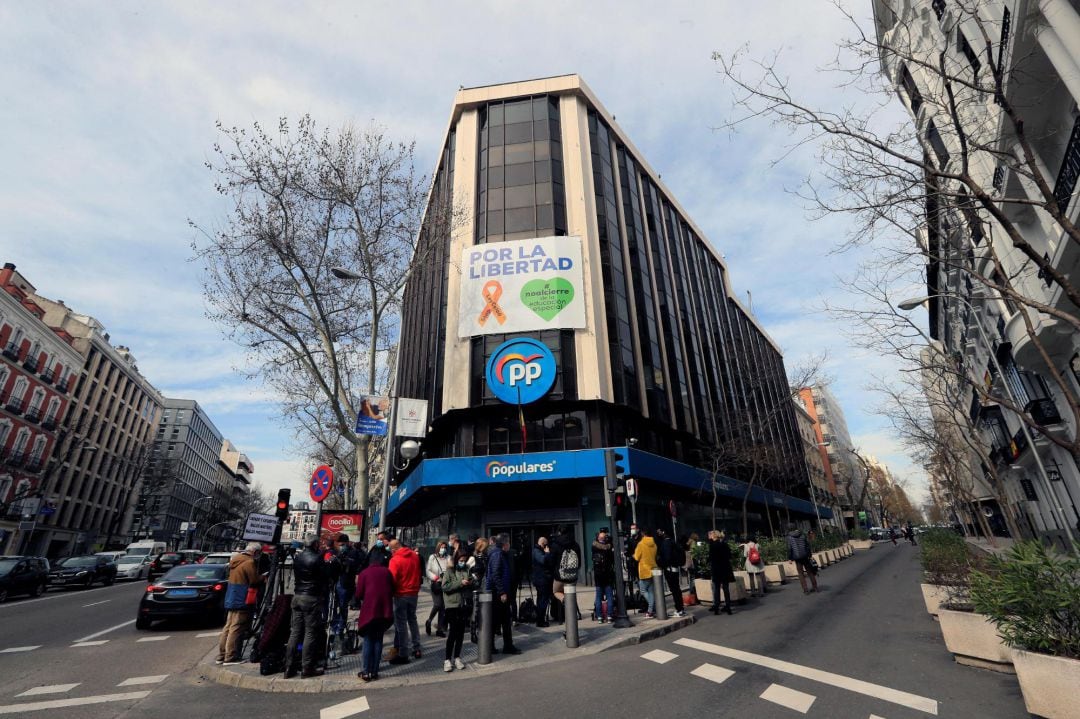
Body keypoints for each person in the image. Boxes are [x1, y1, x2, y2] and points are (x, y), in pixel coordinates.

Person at [286, 535, 330, 678]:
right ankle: (307, 667)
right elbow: (324, 577)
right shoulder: (317, 559)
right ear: (315, 544)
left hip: (297, 596)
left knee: (295, 632)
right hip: (311, 597)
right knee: (310, 632)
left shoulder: (298, 558)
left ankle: (289, 667)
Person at [217, 541, 264, 665]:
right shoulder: (249, 562)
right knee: (236, 628)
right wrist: (263, 577)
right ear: (255, 552)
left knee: (228, 627)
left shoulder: (236, 559)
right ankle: (230, 657)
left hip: (232, 596)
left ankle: (221, 655)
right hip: (242, 597)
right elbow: (254, 580)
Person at [354, 549, 394, 682]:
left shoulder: (364, 573)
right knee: (378, 640)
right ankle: (375, 671)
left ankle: (366, 671)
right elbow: (392, 589)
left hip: (369, 612)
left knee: (368, 640)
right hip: (384, 612)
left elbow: (358, 594)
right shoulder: (387, 572)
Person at [387, 538, 423, 663]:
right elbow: (419, 572)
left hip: (401, 594)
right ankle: (417, 648)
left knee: (401, 624)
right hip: (413, 592)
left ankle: (403, 653)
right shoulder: (414, 555)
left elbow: (392, 580)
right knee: (412, 619)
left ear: (394, 549)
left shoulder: (394, 560)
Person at [485, 533, 520, 654]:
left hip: (500, 592)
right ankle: (495, 646)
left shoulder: (499, 553)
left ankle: (504, 646)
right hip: (498, 594)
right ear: (505, 544)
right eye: (509, 542)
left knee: (503, 620)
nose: (510, 544)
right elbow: (495, 574)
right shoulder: (497, 554)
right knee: (500, 620)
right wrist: (502, 592)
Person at [440, 550, 473, 671]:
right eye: (461, 560)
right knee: (453, 633)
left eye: (464, 560)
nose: (462, 562)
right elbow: (445, 587)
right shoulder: (449, 571)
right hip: (452, 605)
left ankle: (457, 657)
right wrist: (460, 583)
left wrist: (471, 581)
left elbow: (470, 583)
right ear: (456, 560)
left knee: (460, 634)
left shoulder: (466, 570)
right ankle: (447, 659)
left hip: (462, 605)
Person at [331, 533, 364, 652]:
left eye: (343, 544)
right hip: (336, 582)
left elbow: (356, 565)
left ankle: (340, 629)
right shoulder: (337, 552)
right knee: (334, 607)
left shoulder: (353, 552)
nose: (341, 546)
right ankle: (334, 627)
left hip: (346, 583)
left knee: (343, 606)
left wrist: (346, 561)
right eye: (339, 545)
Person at [657, 528, 687, 617]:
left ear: (663, 532)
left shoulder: (666, 543)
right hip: (675, 568)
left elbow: (667, 557)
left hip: (669, 569)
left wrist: (660, 563)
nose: (658, 533)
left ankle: (679, 609)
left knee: (674, 590)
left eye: (659, 531)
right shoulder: (672, 542)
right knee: (676, 589)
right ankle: (680, 609)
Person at [425, 541, 450, 638]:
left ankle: (439, 629)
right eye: (441, 547)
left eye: (444, 547)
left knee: (443, 608)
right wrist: (434, 577)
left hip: (445, 584)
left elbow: (451, 569)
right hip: (436, 584)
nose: (443, 549)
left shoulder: (448, 558)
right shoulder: (433, 557)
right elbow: (428, 570)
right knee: (438, 604)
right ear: (438, 548)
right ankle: (429, 620)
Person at [591, 528, 616, 623]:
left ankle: (600, 617)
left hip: (598, 575)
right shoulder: (608, 548)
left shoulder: (594, 546)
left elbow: (596, 543)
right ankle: (609, 616)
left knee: (598, 597)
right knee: (609, 596)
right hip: (607, 574)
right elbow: (608, 549)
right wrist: (609, 542)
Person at [633, 528, 658, 618]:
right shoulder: (654, 544)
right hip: (653, 569)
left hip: (644, 570)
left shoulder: (641, 544)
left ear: (643, 534)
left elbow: (636, 557)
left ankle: (652, 608)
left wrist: (633, 555)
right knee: (651, 591)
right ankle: (651, 610)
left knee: (643, 591)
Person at [707, 531, 734, 615]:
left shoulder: (712, 545)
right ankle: (728, 607)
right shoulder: (724, 544)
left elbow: (711, 557)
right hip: (725, 568)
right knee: (726, 589)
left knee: (716, 589)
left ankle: (716, 608)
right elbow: (730, 556)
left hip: (716, 569)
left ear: (713, 536)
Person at [786, 523, 817, 595]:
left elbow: (789, 548)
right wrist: (810, 555)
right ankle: (815, 587)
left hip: (797, 557)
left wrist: (790, 558)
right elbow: (807, 545)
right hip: (805, 555)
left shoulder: (789, 537)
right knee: (810, 572)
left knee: (800, 573)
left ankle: (806, 590)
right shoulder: (802, 534)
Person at [531, 536, 554, 627]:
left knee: (542, 599)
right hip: (541, 579)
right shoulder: (537, 551)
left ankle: (541, 619)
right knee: (542, 600)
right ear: (543, 544)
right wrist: (547, 553)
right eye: (546, 544)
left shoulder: (538, 550)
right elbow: (543, 560)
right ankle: (540, 621)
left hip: (542, 579)